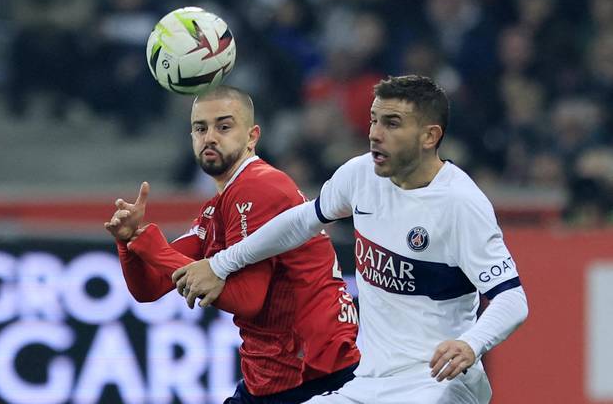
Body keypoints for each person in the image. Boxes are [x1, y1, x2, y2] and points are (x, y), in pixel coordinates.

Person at [175, 75, 529, 404]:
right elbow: (299, 222)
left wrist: (471, 343)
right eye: (374, 120)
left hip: (439, 383)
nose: (375, 133)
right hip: (370, 383)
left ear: (429, 136)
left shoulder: (460, 204)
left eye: (392, 123)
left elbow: (512, 298)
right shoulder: (361, 176)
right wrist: (221, 264)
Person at [104, 86, 360, 403]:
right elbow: (148, 289)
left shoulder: (259, 186)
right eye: (200, 128)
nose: (209, 137)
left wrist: (152, 244)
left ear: (252, 136)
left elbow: (247, 298)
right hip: (271, 377)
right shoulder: (219, 205)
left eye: (224, 126)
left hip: (310, 375)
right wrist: (129, 244)